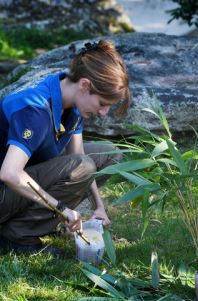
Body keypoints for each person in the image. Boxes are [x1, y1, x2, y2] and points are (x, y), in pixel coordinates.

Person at [0, 40, 131, 256]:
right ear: (85, 85)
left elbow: (78, 155)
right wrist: (61, 208)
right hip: (5, 187)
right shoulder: (36, 110)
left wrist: (98, 207)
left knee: (109, 154)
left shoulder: (70, 102)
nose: (104, 112)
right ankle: (18, 235)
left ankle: (42, 220)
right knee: (83, 166)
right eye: (102, 103)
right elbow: (9, 173)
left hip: (23, 176)